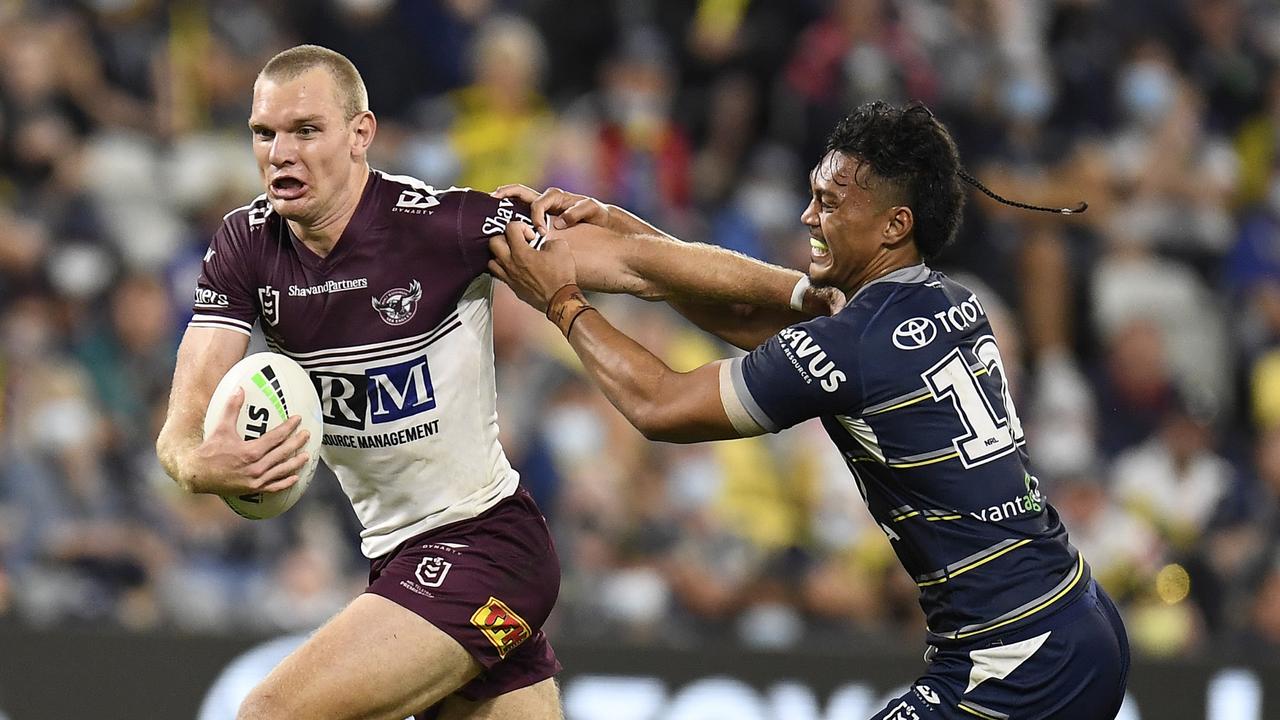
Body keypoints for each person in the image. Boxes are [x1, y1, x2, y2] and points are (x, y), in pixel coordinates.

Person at [154, 45, 836, 720]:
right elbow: (187, 411)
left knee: (268, 715)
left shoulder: (441, 224)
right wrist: (196, 460)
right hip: (400, 560)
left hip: (483, 547)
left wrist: (811, 291)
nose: (281, 152)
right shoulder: (245, 246)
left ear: (361, 134)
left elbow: (638, 264)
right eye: (264, 133)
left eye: (306, 130)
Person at [489, 101, 1130, 720]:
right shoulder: (950, 300)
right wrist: (625, 231)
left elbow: (660, 405)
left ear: (894, 225)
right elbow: (743, 309)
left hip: (1013, 654)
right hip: (1078, 612)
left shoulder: (852, 343)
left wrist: (563, 303)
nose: (807, 216)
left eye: (829, 202)